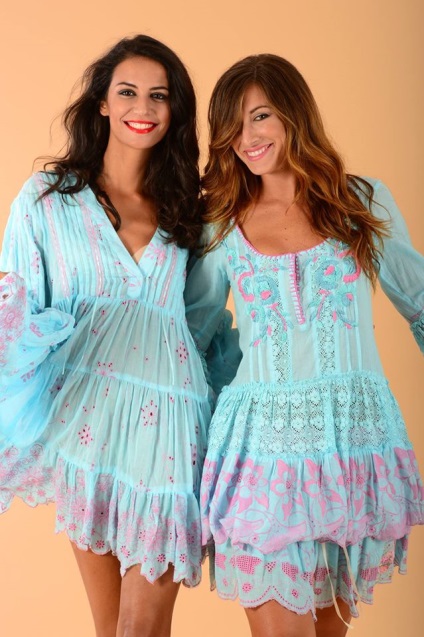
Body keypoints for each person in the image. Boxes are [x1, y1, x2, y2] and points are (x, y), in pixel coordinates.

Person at [184, 54, 424, 637]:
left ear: (294, 113)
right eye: (233, 126)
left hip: (351, 449)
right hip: (260, 456)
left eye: (260, 116)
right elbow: (192, 334)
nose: (247, 138)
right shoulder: (222, 223)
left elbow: (419, 300)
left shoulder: (362, 201)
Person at [0, 35, 211, 637]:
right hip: (87, 428)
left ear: (174, 110)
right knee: (113, 629)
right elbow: (15, 311)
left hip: (171, 429)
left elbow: (201, 322)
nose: (142, 107)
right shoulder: (47, 200)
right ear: (101, 103)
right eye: (127, 92)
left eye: (159, 96)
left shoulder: (191, 210)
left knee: (141, 627)